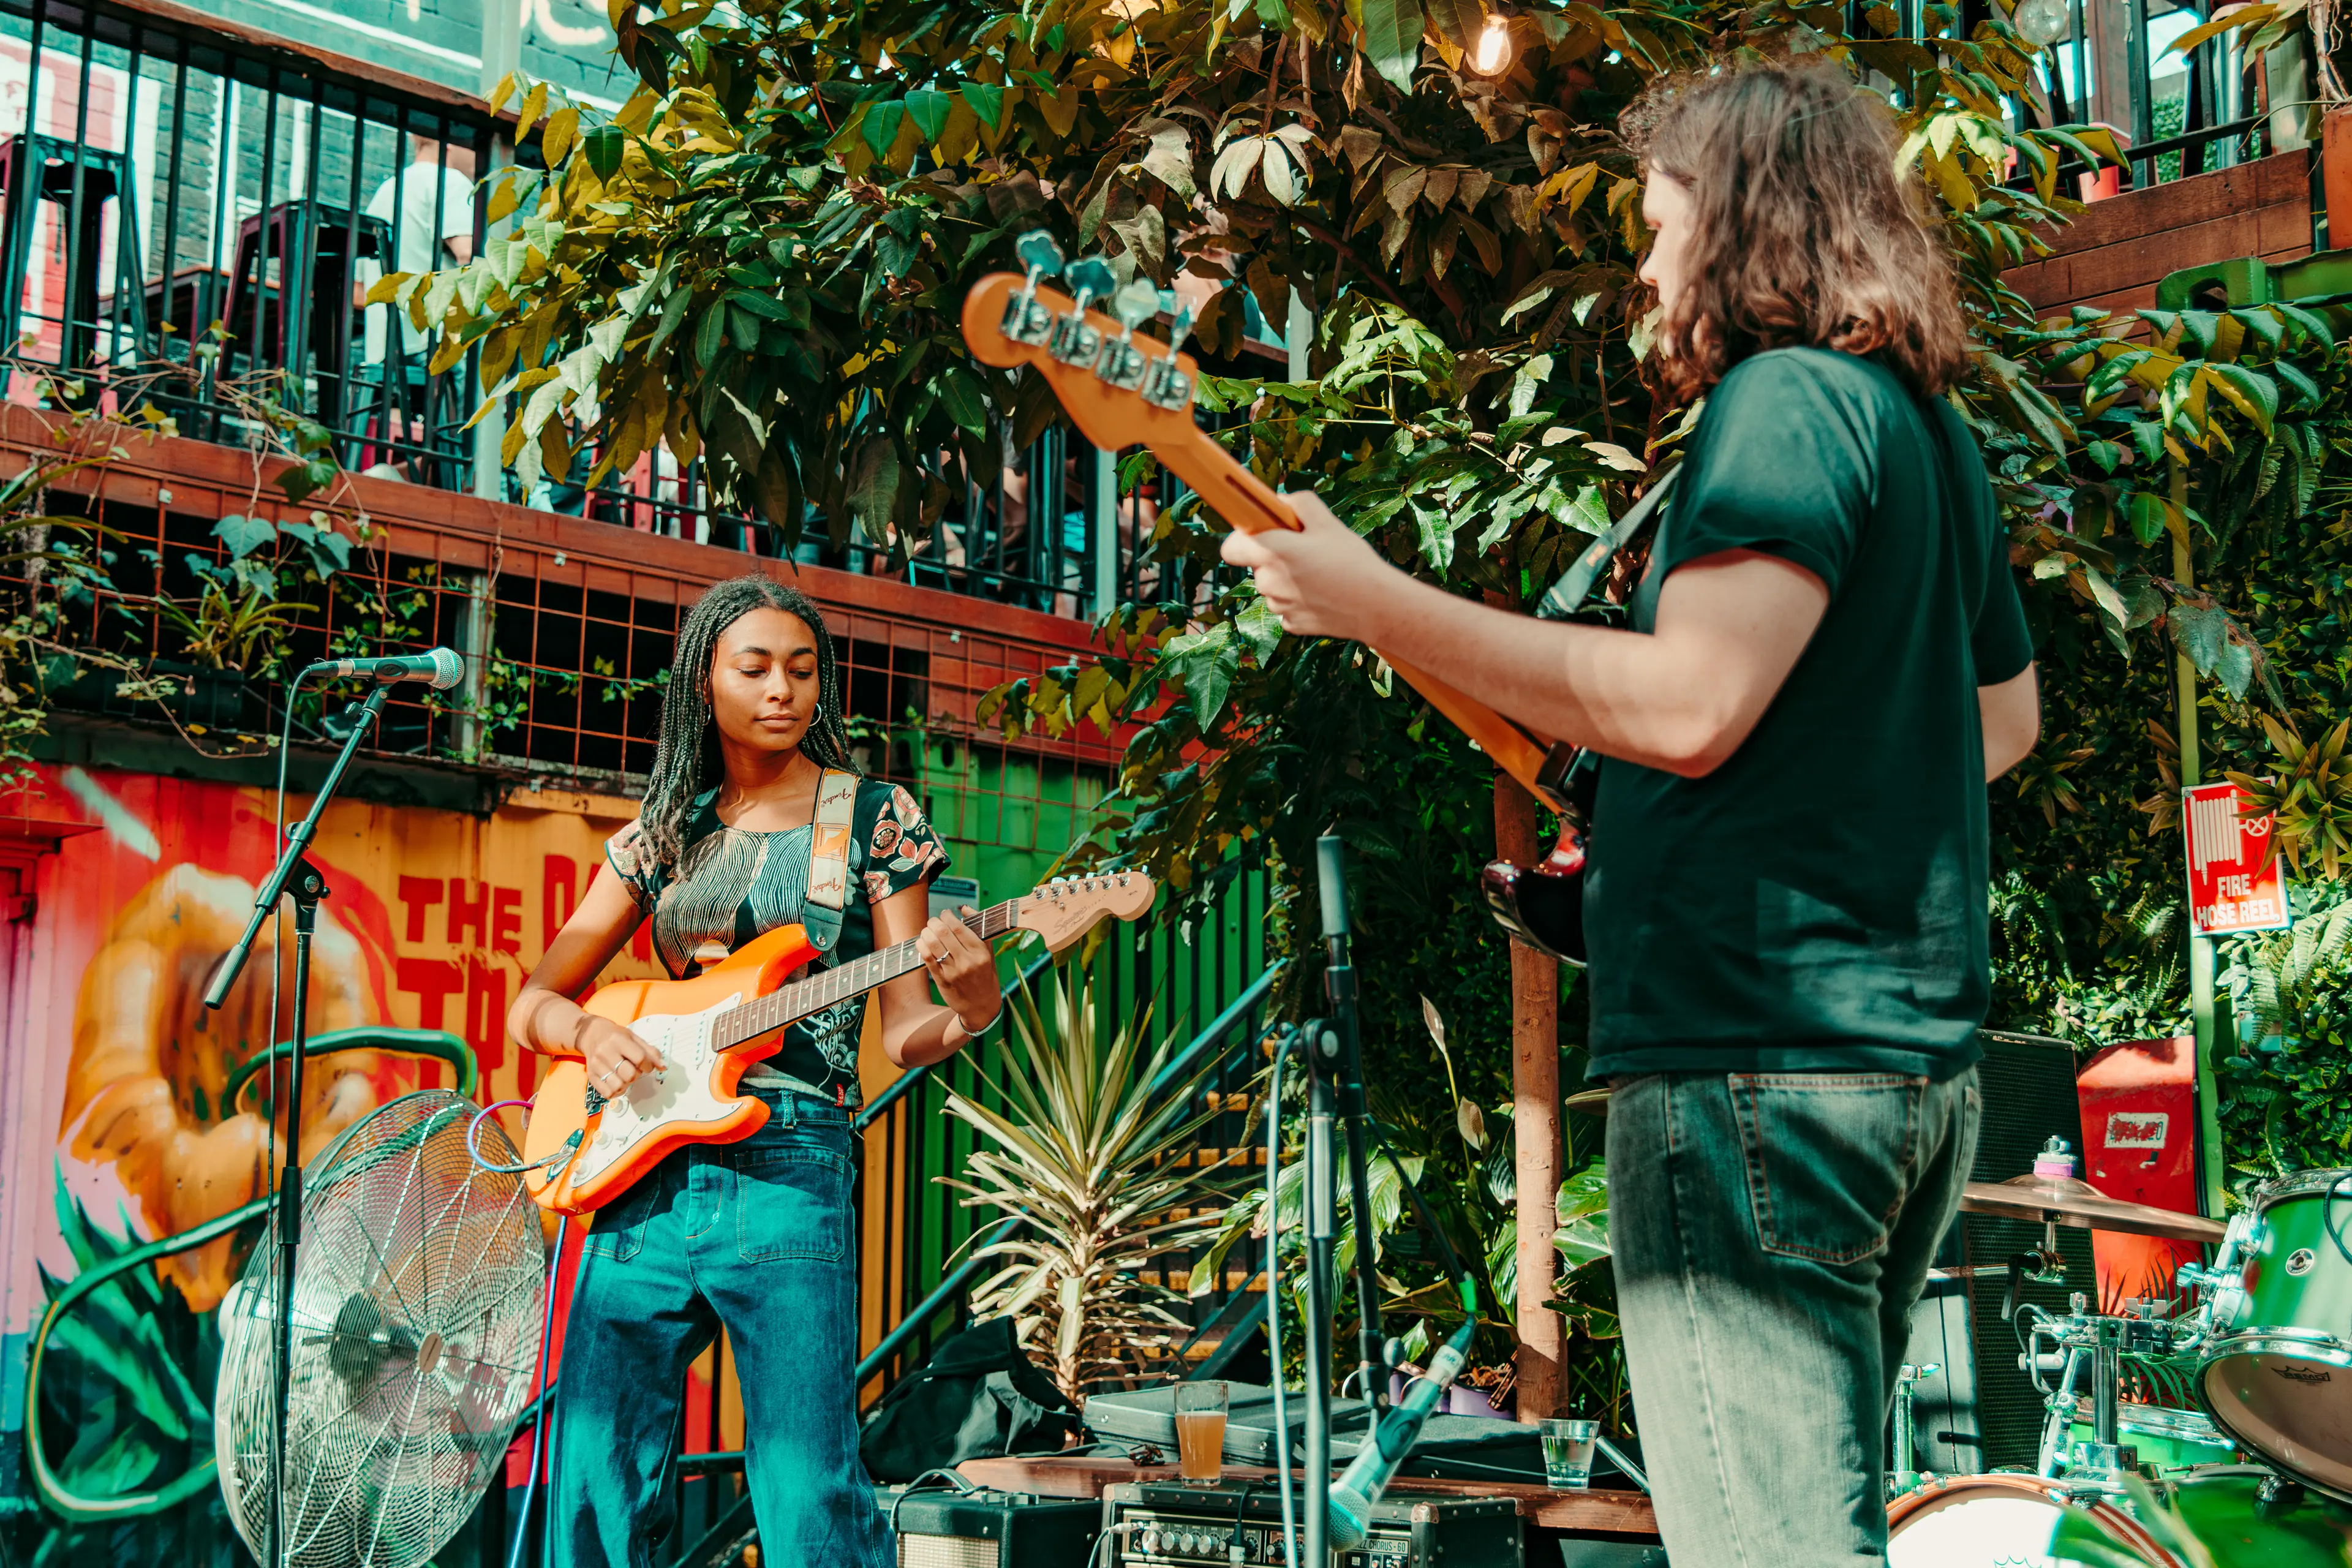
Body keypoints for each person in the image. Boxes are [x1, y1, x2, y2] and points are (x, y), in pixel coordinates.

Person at [1221, 60, 2040, 1568]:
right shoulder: (1926, 434)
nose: (1646, 271)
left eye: (1663, 227)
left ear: (1741, 229)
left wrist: (1376, 606)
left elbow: (1685, 703)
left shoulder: (1783, 400)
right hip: (1897, 1073)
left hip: (1754, 1077)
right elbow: (1996, 722)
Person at [508, 575, 1005, 1567]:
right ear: (704, 682)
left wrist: (976, 1003)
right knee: (592, 1480)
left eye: (803, 668)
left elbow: (905, 1032)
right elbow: (536, 999)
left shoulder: (873, 816)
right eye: (756, 666)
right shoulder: (666, 826)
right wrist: (586, 1034)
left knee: (803, 1485)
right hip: (634, 1172)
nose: (783, 688)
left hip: (787, 1165)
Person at [352, 135, 478, 480]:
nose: (478, 152)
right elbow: (470, 255)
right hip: (435, 343)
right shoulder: (449, 181)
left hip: (387, 346)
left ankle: (398, 477)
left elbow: (362, 287)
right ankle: (486, 484)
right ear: (451, 142)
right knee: (507, 373)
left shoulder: (387, 191)